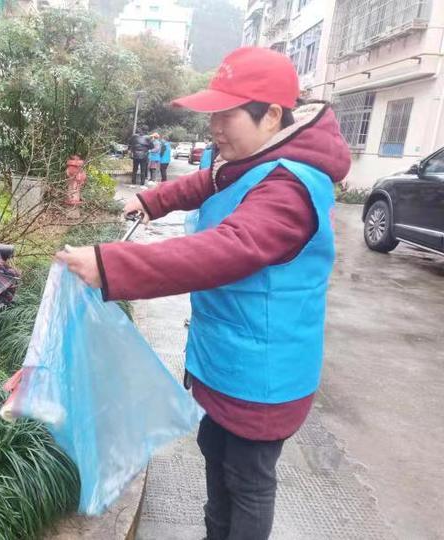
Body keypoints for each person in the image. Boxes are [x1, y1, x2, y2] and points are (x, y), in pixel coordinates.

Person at [57, 47, 351, 540]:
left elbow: (225, 250)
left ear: (272, 115)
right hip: (229, 357)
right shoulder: (251, 158)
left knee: (248, 479)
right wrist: (149, 200)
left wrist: (110, 265)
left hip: (264, 374)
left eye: (227, 115)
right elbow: (202, 183)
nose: (215, 128)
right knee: (216, 454)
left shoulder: (290, 187)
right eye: (212, 114)